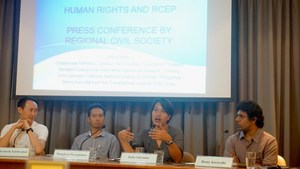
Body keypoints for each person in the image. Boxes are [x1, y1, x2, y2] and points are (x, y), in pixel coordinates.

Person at [118, 98, 183, 163]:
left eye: (163, 111)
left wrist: (168, 140)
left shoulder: (176, 132)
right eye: (155, 110)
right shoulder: (144, 133)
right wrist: (123, 140)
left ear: (169, 117)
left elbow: (177, 159)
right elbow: (134, 157)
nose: (158, 114)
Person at [223, 100, 278, 166]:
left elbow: (269, 168)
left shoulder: (269, 141)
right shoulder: (232, 140)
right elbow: (227, 166)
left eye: (241, 116)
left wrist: (239, 164)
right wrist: (256, 165)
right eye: (237, 116)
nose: (237, 119)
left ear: (253, 120)